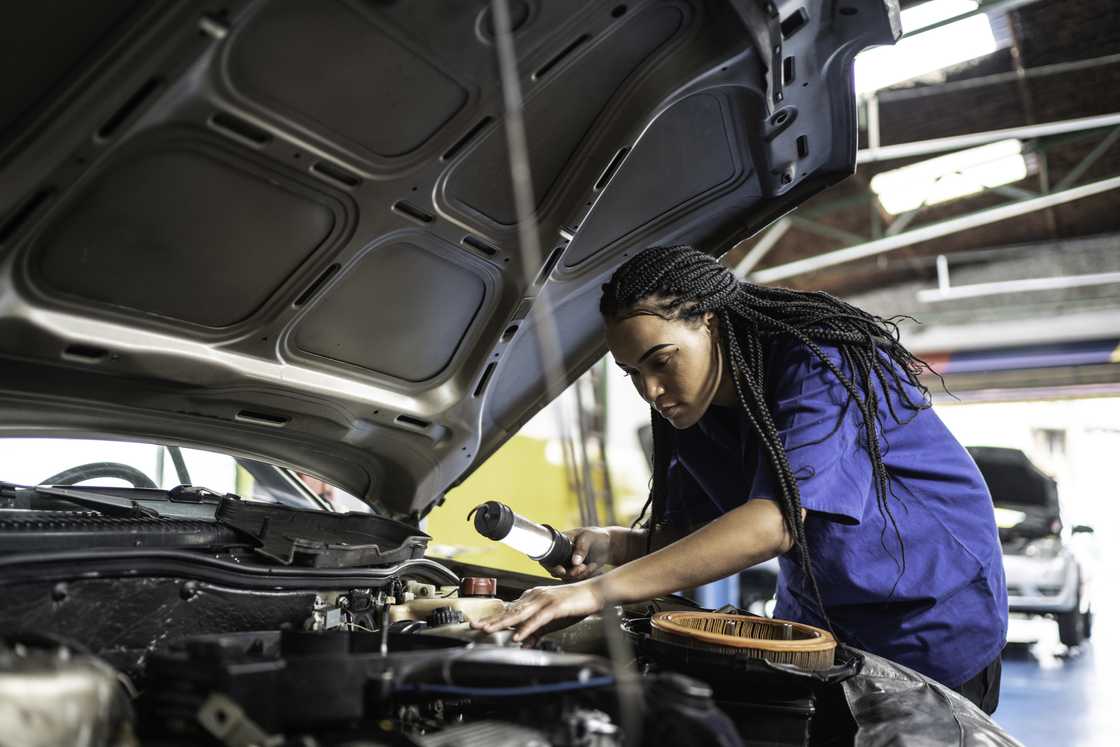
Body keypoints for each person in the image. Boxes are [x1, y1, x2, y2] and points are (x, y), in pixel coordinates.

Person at [474, 246, 1007, 714]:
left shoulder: (818, 360)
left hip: (931, 624)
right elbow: (709, 533)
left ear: (708, 320)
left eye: (660, 361)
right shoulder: (694, 410)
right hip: (820, 628)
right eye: (633, 373)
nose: (651, 391)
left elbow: (773, 523)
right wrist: (624, 544)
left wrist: (595, 593)